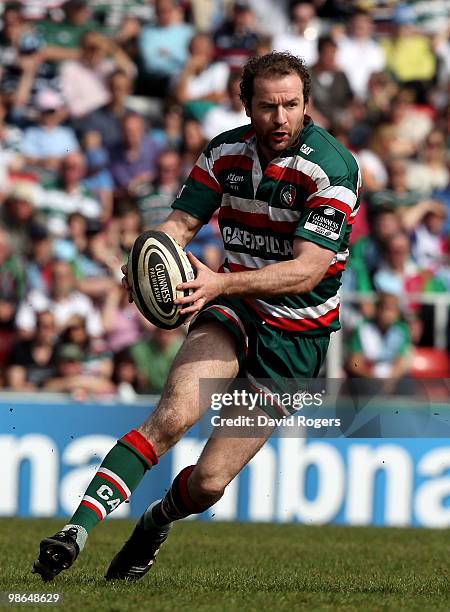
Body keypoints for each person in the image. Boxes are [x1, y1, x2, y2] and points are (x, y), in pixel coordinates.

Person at [33, 51, 361, 582]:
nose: (280, 118)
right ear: (246, 106)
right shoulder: (223, 151)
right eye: (268, 106)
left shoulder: (332, 167)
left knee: (209, 483)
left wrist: (218, 281)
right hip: (233, 311)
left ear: (307, 105)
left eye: (291, 106)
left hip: (297, 338)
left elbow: (306, 271)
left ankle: (157, 521)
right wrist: (148, 256)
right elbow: (182, 224)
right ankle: (74, 532)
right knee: (172, 417)